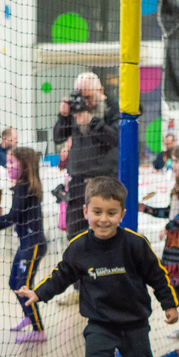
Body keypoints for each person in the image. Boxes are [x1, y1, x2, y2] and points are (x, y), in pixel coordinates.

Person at [19, 177, 178, 357]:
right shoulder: (80, 247)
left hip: (135, 324)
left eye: (111, 213)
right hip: (100, 325)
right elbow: (61, 276)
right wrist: (38, 293)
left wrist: (169, 304)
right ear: (85, 212)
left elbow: (158, 276)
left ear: (122, 215)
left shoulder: (135, 245)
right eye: (97, 212)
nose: (103, 219)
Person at [138, 142, 179, 338]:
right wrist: (147, 209)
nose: (172, 165)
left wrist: (170, 227)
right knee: (176, 284)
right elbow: (171, 213)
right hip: (175, 244)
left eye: (176, 161)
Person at [53, 72, 119, 242]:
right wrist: (64, 116)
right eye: (80, 95)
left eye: (88, 96)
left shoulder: (112, 108)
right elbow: (58, 137)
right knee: (75, 237)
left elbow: (116, 138)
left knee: (105, 236)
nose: (84, 102)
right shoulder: (76, 108)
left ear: (100, 90)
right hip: (77, 184)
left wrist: (92, 121)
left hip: (103, 182)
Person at [0, 146, 48, 343]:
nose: (7, 166)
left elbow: (12, 217)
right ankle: (28, 314)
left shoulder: (24, 187)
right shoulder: (21, 186)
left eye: (11, 163)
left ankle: (38, 330)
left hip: (33, 244)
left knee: (23, 285)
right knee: (14, 283)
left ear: (24, 166)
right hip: (27, 242)